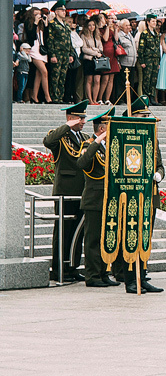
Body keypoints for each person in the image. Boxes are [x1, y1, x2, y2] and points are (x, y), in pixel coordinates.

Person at [110, 96, 165, 293]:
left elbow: (160, 164)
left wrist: (158, 174)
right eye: (143, 115)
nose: (147, 118)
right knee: (129, 236)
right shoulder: (122, 137)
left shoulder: (151, 136)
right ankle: (130, 279)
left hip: (149, 194)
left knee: (145, 237)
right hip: (129, 195)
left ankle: (142, 275)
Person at [43, 100, 92, 282]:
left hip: (82, 191)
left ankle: (72, 267)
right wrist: (66, 126)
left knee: (78, 233)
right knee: (63, 232)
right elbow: (48, 141)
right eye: (80, 118)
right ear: (70, 118)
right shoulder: (59, 136)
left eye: (84, 117)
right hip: (65, 191)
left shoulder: (84, 137)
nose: (83, 121)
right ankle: (57, 269)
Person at [76, 107, 120, 289]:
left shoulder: (110, 148)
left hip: (109, 199)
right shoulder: (88, 145)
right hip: (94, 199)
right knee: (93, 239)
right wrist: (97, 141)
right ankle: (92, 275)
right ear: (102, 129)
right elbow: (82, 163)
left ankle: (103, 272)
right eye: (110, 126)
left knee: (106, 238)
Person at [46, 0, 75, 104]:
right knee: (55, 76)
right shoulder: (53, 24)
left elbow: (69, 41)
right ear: (56, 12)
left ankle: (60, 97)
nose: (64, 12)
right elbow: (50, 40)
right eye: (62, 10)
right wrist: (52, 55)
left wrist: (71, 53)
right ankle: (54, 97)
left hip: (65, 53)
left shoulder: (66, 25)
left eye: (64, 10)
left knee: (63, 77)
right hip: (57, 53)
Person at [137, 14, 161, 103]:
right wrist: (142, 61)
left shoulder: (157, 34)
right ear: (148, 22)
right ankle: (146, 97)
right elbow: (141, 49)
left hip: (155, 59)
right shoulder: (144, 34)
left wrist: (158, 62)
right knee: (147, 79)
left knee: (154, 79)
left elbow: (158, 49)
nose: (155, 23)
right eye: (153, 21)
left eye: (155, 21)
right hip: (148, 59)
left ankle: (152, 97)